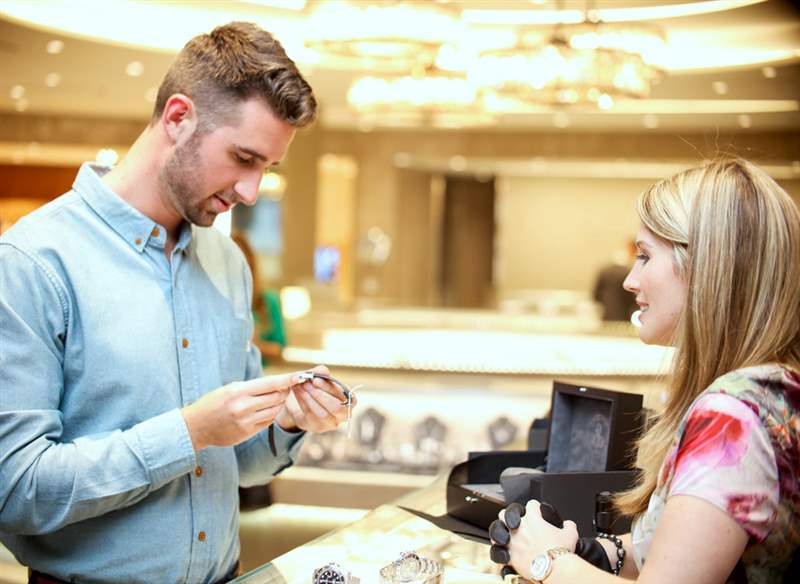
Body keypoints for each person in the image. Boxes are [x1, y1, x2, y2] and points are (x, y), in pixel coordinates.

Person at [0, 22, 356, 584]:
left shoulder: (228, 262)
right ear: (178, 117)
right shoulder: (33, 261)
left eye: (266, 168)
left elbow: (242, 465)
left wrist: (286, 421)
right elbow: (15, 490)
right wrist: (190, 431)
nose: (250, 192)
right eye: (243, 157)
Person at [492, 158, 800, 583]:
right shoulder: (772, 391)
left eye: (644, 256)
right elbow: (678, 554)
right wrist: (589, 552)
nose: (630, 281)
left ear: (706, 266)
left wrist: (545, 561)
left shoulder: (731, 418)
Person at [230, 231, 286, 366]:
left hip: (260, 373)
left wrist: (251, 344)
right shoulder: (216, 301)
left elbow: (279, 349)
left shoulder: (267, 300)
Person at [592, 239, 638, 321]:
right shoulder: (627, 273)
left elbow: (596, 295)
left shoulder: (605, 270)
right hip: (623, 317)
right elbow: (632, 300)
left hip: (606, 316)